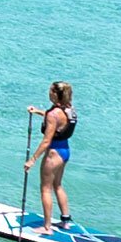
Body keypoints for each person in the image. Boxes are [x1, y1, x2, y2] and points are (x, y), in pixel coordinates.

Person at [25, 81, 77, 229]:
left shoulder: (53, 114)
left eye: (50, 91)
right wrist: (38, 111)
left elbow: (47, 140)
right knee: (57, 185)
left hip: (53, 154)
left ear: (55, 94)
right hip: (65, 151)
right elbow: (58, 120)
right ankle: (65, 221)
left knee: (45, 189)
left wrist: (32, 160)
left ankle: (47, 227)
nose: (48, 93)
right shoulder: (69, 109)